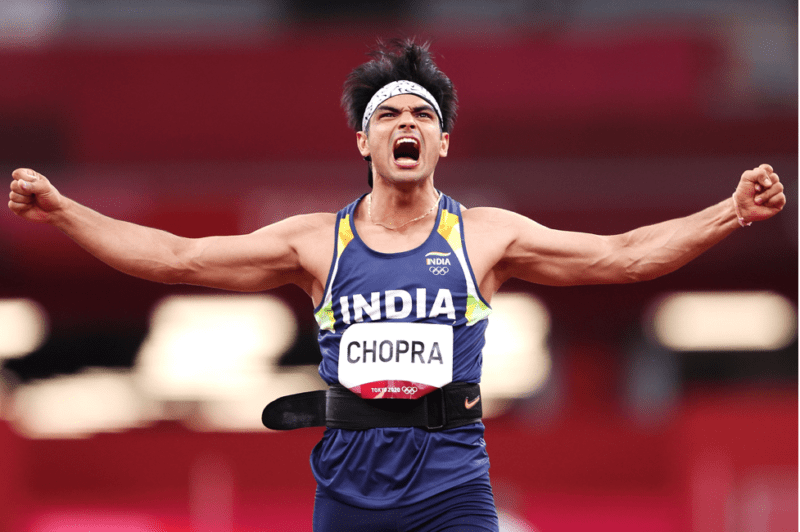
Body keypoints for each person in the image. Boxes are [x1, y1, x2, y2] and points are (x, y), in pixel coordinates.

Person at [6, 39, 786, 532]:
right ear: (364, 140)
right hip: (350, 492)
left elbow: (624, 257)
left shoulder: (485, 236)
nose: (406, 123)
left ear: (442, 141)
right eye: (389, 115)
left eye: (422, 114)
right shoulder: (317, 241)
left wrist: (730, 212)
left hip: (452, 487)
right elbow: (178, 259)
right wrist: (67, 212)